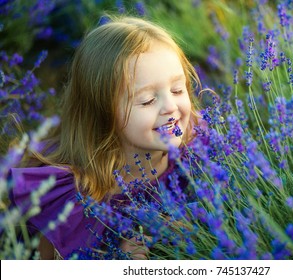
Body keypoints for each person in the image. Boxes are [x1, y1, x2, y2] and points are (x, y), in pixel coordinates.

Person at [9, 15, 203, 259]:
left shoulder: (201, 157)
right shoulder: (70, 199)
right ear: (104, 112)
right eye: (148, 100)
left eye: (177, 89)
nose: (170, 107)